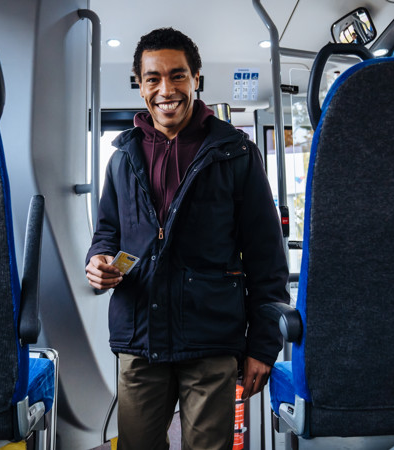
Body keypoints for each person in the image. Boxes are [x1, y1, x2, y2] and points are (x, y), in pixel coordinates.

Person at [86, 27, 288, 450]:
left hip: (211, 338)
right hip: (140, 337)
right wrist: (99, 261)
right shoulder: (122, 156)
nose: (166, 89)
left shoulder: (236, 153)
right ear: (140, 85)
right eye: (153, 78)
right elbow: (106, 232)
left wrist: (263, 345)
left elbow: (267, 258)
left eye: (177, 75)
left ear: (196, 79)